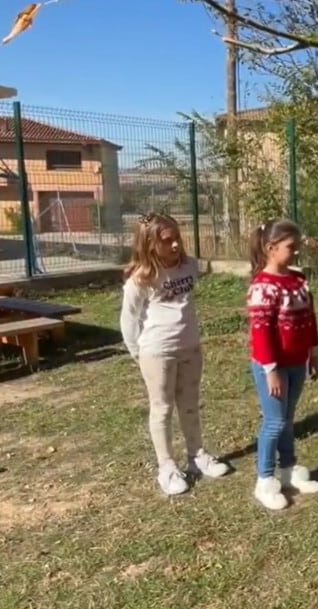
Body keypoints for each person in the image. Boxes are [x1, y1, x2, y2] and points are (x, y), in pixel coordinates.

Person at [120, 212, 229, 496]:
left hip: (190, 347)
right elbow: (129, 320)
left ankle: (196, 456)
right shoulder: (140, 279)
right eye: (167, 241)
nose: (175, 246)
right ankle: (166, 466)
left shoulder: (189, 266)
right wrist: (138, 352)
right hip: (157, 352)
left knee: (190, 403)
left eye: (177, 238)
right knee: (162, 408)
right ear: (149, 244)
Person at [246, 219, 318, 511]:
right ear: (271, 248)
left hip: (297, 363)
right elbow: (261, 334)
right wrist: (271, 370)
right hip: (274, 368)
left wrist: (313, 353)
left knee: (288, 418)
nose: (296, 252)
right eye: (291, 247)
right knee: (275, 421)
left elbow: (310, 319)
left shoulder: (298, 280)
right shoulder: (262, 287)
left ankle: (288, 468)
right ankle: (264, 478)